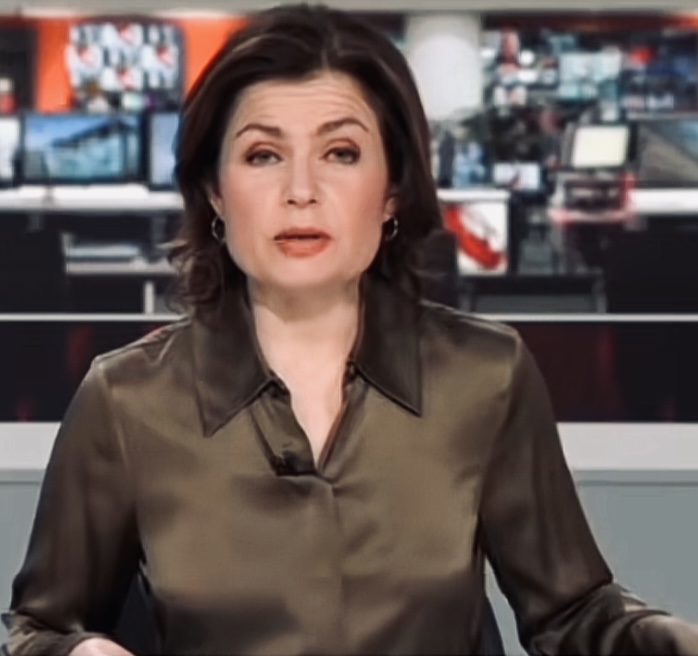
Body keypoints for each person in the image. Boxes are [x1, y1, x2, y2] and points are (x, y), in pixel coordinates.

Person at [5, 5, 698, 656]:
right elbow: (38, 628)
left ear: (393, 188)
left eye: (340, 153)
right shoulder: (126, 399)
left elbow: (576, 612)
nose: (301, 191)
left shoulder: (486, 374)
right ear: (215, 190)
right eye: (262, 155)